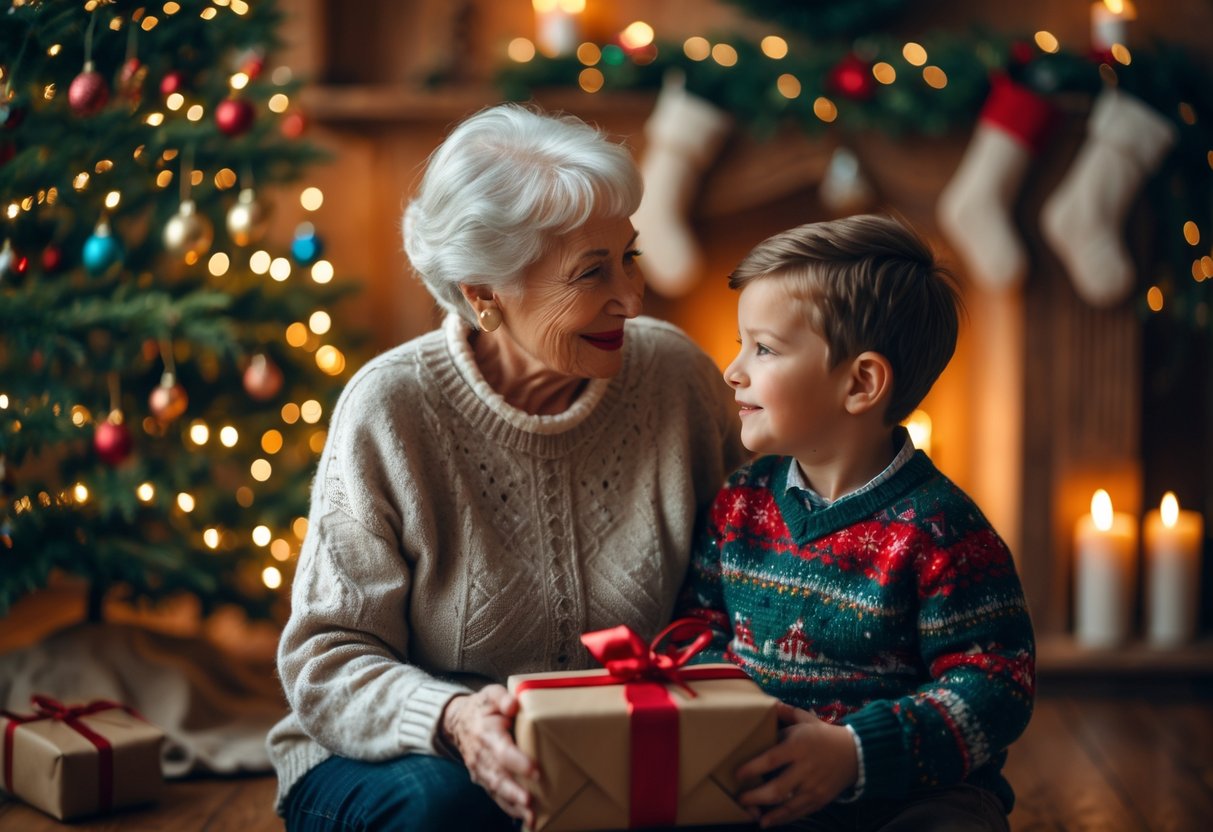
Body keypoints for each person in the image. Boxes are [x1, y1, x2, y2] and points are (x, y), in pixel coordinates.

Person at [267, 103, 747, 831]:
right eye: (591, 274)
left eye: (629, 257)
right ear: (482, 296)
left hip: (616, 740)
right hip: (406, 753)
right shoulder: (391, 407)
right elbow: (326, 660)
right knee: (448, 810)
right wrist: (453, 716)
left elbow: (747, 589)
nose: (631, 295)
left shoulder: (677, 378)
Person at [680, 214, 1036, 831]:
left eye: (762, 349)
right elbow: (697, 627)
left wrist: (855, 752)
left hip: (906, 790)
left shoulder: (942, 530)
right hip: (761, 774)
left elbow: (996, 684)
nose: (733, 370)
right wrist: (733, 716)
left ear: (861, 382)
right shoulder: (740, 505)